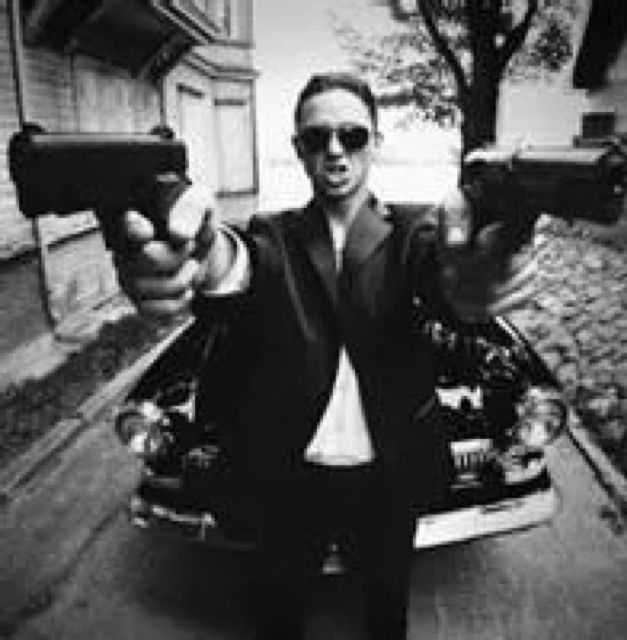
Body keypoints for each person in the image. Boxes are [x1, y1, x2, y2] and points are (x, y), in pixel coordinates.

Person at [112, 72, 538, 640]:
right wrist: (200, 251)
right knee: (279, 616)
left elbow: (440, 270)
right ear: (299, 149)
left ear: (375, 143)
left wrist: (471, 279)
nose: (335, 150)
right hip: (290, 481)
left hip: (386, 481)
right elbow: (236, 263)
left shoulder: (412, 231)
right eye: (317, 138)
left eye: (352, 135)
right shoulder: (272, 233)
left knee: (385, 617)